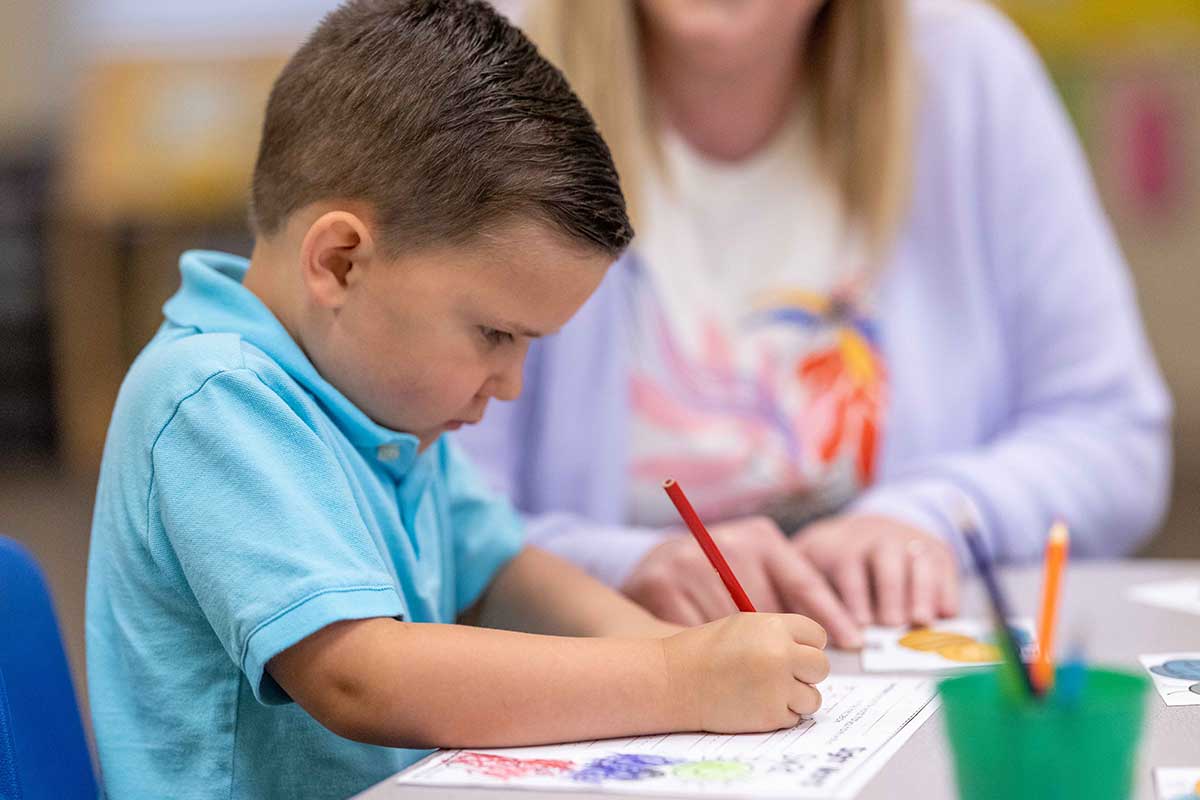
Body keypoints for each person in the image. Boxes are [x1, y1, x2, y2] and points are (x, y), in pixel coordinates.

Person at [85, 2, 830, 798]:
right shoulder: (215, 400)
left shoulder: (377, 405)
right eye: (494, 334)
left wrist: (675, 647)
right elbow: (361, 676)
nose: (508, 386)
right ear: (339, 263)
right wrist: (672, 677)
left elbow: (501, 569)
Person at [459, 0, 1173, 648]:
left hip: (887, 676)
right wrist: (615, 567)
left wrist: (932, 517)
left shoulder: (966, 72)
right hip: (601, 676)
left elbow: (1113, 435)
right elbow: (419, 500)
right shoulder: (484, 71)